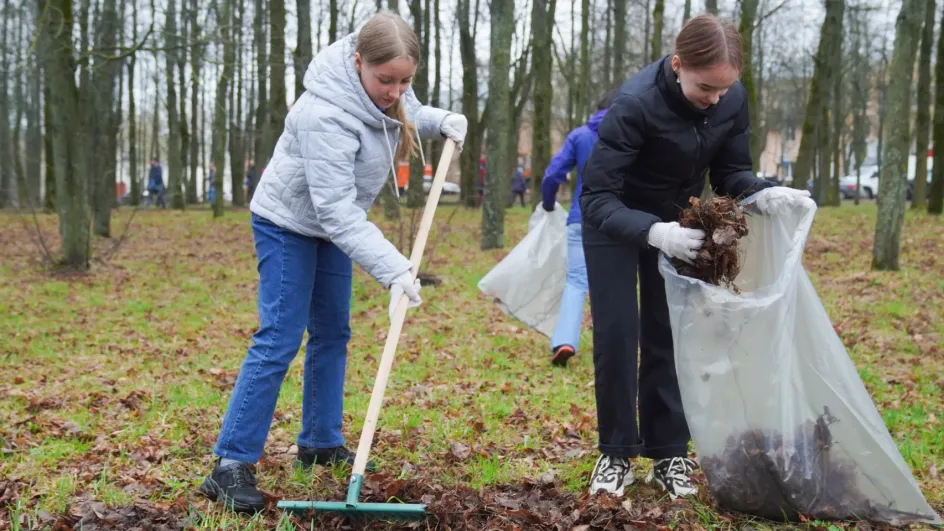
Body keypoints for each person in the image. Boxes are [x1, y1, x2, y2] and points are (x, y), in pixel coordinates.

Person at [198, 11, 468, 513]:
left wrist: (440, 121)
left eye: (405, 80)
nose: (394, 90)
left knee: (333, 333)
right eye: (385, 80)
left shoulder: (390, 87)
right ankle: (230, 464)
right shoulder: (325, 115)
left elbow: (405, 113)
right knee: (279, 336)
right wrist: (394, 267)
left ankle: (319, 443)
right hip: (288, 224)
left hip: (331, 227)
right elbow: (339, 213)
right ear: (357, 61)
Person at [579, 14, 813, 499]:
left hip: (679, 226)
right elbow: (596, 198)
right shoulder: (635, 104)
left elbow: (732, 173)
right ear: (678, 64)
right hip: (614, 223)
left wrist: (763, 193)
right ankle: (616, 454)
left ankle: (668, 455)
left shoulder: (732, 99)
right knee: (619, 336)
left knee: (668, 334)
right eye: (706, 88)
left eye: (725, 89)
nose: (716, 99)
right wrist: (653, 232)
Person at [540, 90, 615, 368]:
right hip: (619, 220)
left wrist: (548, 204)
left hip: (581, 218)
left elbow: (552, 175)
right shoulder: (633, 135)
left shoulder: (580, 136)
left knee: (576, 281)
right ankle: (611, 347)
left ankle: (565, 341)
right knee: (612, 283)